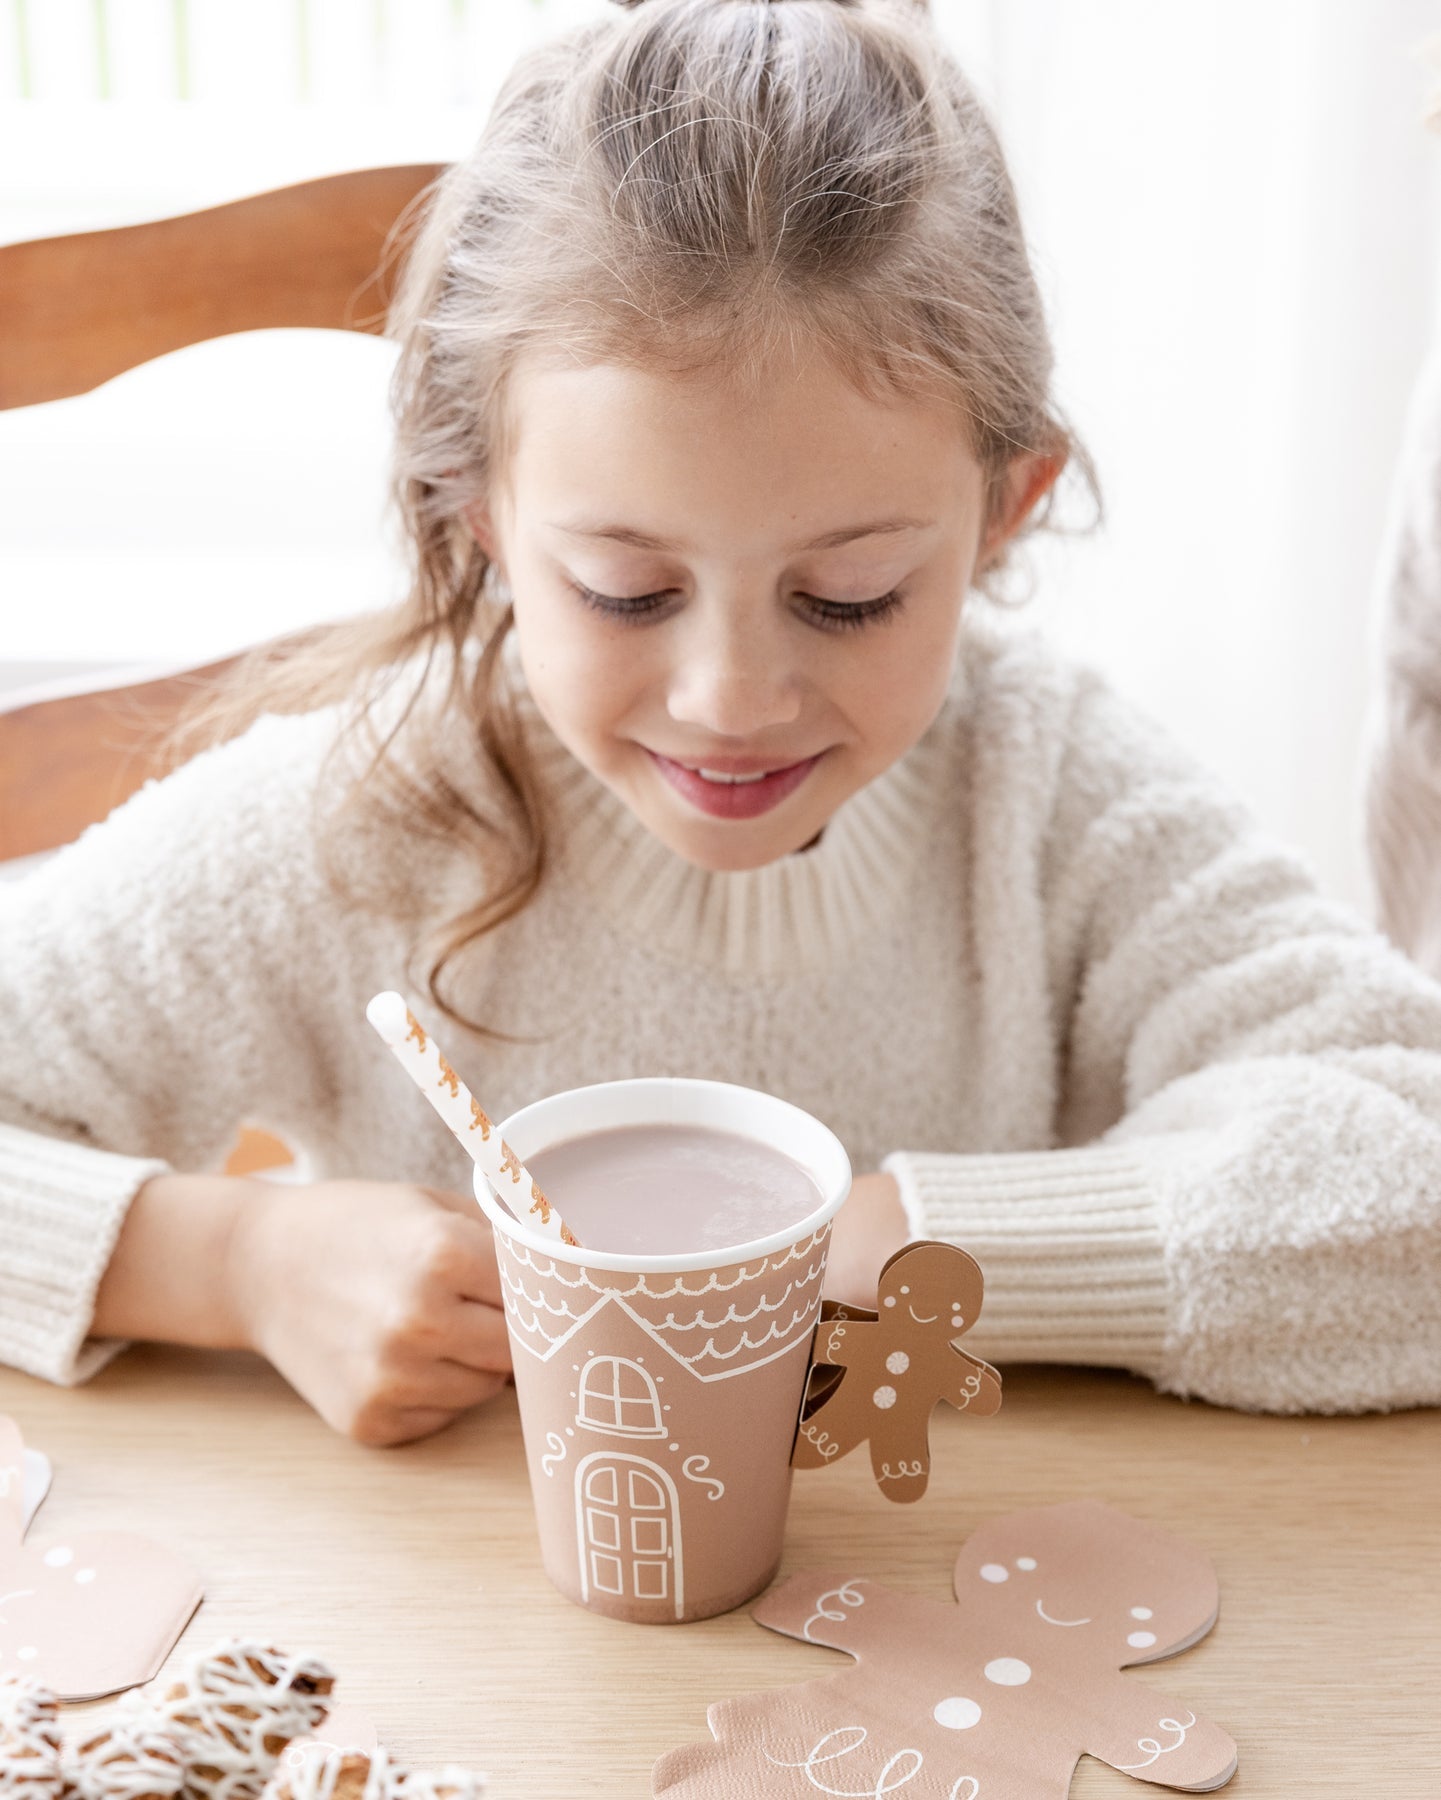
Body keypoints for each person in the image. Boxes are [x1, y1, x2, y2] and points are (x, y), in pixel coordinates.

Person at [3, 0, 1440, 1446]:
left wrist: (889, 1252)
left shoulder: (1046, 791)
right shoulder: (362, 813)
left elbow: (1410, 1172)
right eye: (626, 591)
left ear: (1004, 511)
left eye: (850, 595)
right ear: (482, 512)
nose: (730, 701)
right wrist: (232, 1263)